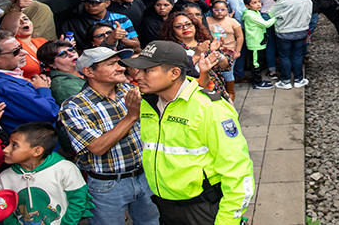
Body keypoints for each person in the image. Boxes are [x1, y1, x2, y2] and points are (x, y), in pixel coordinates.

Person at [121, 41, 254, 224]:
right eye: (139, 70)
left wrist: (228, 220)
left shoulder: (209, 108)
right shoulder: (146, 104)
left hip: (203, 209)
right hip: (165, 206)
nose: (139, 76)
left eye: (148, 70)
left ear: (174, 73)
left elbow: (238, 171)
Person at [58, 47, 159, 225]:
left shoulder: (129, 90)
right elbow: (97, 147)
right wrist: (131, 117)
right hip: (108, 185)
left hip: (145, 175)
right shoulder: (74, 107)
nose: (120, 67)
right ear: (88, 71)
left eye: (119, 63)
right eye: (111, 64)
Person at [0, 121, 93, 225]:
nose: (5, 149)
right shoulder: (4, 178)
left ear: (37, 151)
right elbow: (4, 212)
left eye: (14, 145)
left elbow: (78, 201)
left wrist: (67, 223)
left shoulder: (65, 169)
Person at [0, 31, 58, 136]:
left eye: (21, 47)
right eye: (16, 51)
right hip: (34, 141)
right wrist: (42, 88)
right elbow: (50, 113)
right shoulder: (4, 88)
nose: (24, 52)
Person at [160, 12, 231, 99]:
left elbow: (225, 66)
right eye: (178, 26)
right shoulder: (172, 50)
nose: (185, 28)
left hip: (218, 91)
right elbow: (175, 73)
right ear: (171, 30)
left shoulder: (206, 43)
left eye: (188, 24)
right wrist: (196, 55)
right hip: (194, 97)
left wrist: (216, 52)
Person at [269, 0, 313, 89]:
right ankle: (299, 79)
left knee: (284, 56)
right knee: (297, 55)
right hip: (301, 30)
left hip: (284, 32)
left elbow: (271, 13)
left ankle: (285, 81)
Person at [59, 0, 140, 53]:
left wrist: (120, 38)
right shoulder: (75, 23)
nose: (90, 6)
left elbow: (136, 44)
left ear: (107, 3)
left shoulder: (122, 18)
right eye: (87, 2)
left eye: (95, 2)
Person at [241, 0, 276, 90]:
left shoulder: (256, 12)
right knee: (256, 64)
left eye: (259, 2)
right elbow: (266, 24)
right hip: (255, 43)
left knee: (259, 62)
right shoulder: (250, 15)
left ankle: (259, 80)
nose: (258, 4)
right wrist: (276, 17)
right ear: (247, 6)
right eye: (254, 3)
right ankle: (257, 83)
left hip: (259, 42)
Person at [207, 0, 243, 90]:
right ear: (212, 10)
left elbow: (239, 37)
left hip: (229, 51)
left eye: (222, 9)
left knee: (228, 73)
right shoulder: (207, 20)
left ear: (227, 10)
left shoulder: (232, 21)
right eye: (216, 9)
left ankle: (230, 92)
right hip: (212, 51)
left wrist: (237, 51)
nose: (219, 12)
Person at [0, 12, 48, 79]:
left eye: (25, 19)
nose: (23, 22)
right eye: (17, 22)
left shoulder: (42, 41)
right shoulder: (11, 49)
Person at [36, 40, 84, 105]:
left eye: (71, 50)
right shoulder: (62, 85)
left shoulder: (84, 68)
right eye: (62, 54)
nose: (71, 54)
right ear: (51, 64)